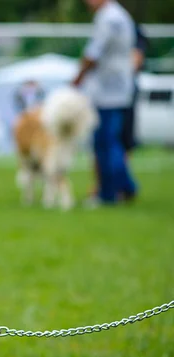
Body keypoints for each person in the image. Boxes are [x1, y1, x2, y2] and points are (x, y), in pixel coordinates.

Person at [73, 0, 137, 206]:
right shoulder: (119, 15)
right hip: (117, 86)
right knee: (111, 141)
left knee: (105, 143)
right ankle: (126, 186)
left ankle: (109, 193)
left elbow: (94, 52)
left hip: (108, 89)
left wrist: (77, 78)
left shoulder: (108, 17)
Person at [121, 23, 149, 157]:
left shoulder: (133, 29)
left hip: (124, 90)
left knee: (125, 140)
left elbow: (136, 60)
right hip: (107, 94)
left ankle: (121, 173)